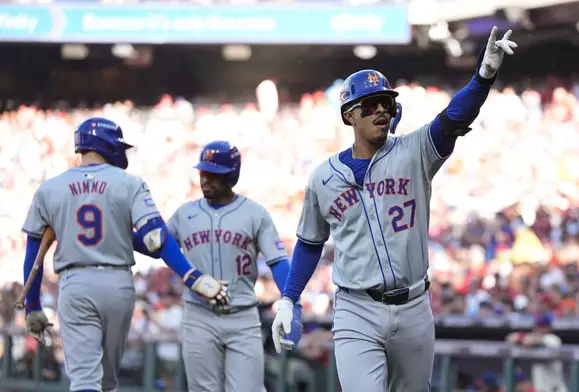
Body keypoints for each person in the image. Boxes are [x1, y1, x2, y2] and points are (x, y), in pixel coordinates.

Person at [271, 26, 517, 391]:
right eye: (370, 106)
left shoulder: (414, 152)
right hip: (357, 308)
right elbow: (310, 242)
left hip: (414, 304)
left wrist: (483, 78)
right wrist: (289, 299)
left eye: (386, 104)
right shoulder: (323, 178)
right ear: (349, 116)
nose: (380, 112)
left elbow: (453, 118)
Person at [21, 118, 229, 392]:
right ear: (107, 145)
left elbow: (33, 257)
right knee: (106, 382)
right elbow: (155, 240)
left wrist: (33, 305)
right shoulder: (129, 183)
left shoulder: (50, 188)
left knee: (85, 379)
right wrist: (193, 277)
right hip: (118, 284)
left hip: (75, 283)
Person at [136, 140, 300, 392]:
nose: (205, 180)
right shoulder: (185, 214)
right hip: (199, 314)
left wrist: (292, 303)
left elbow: (278, 263)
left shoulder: (255, 214)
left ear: (231, 176)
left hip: (243, 315)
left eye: (213, 175)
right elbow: (154, 246)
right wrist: (119, 231)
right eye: (203, 173)